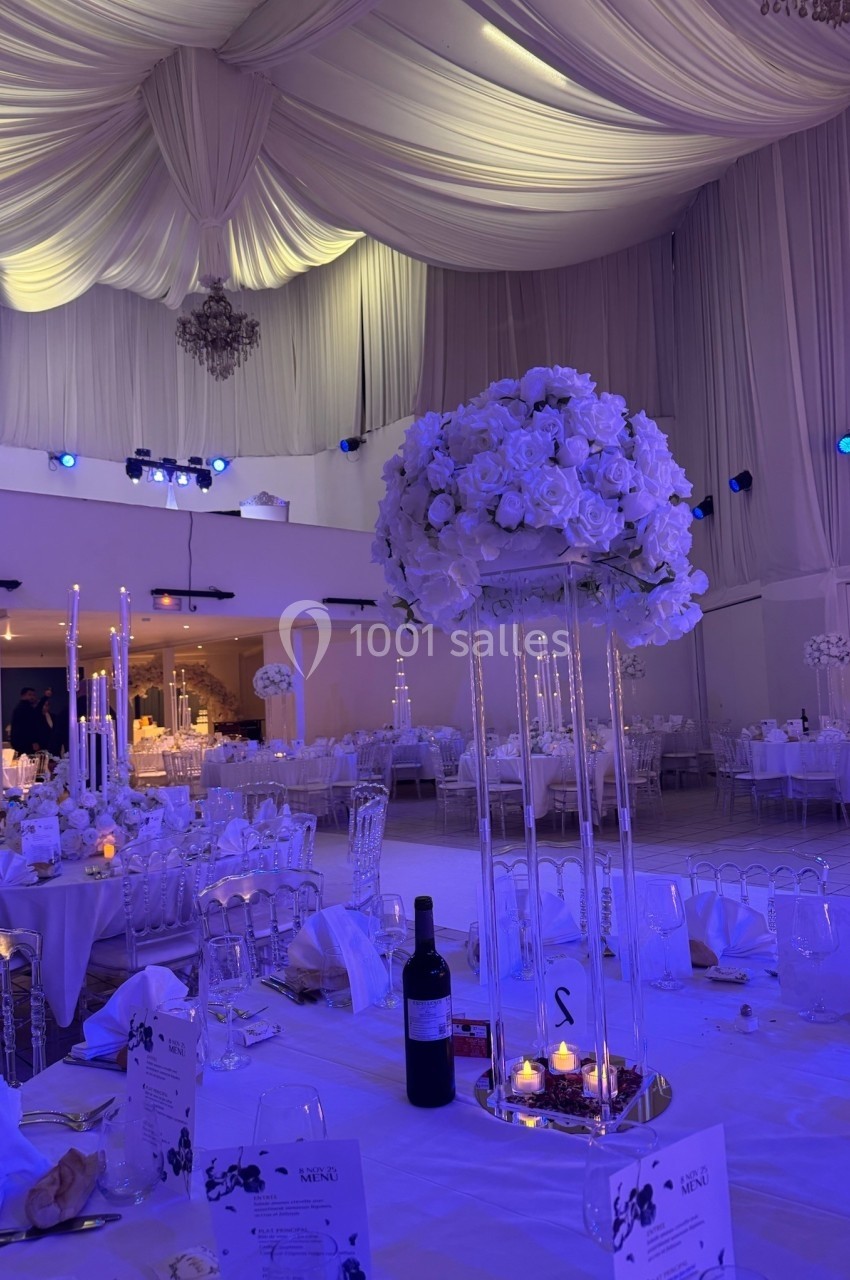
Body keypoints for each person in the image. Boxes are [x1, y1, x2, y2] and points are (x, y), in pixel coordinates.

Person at [10, 687, 46, 756]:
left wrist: (45, 698)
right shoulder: (24, 708)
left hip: (21, 741)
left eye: (33, 695)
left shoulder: (24, 707)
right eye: (29, 695)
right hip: (24, 742)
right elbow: (28, 727)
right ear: (23, 696)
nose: (32, 697)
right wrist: (33, 741)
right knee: (28, 762)